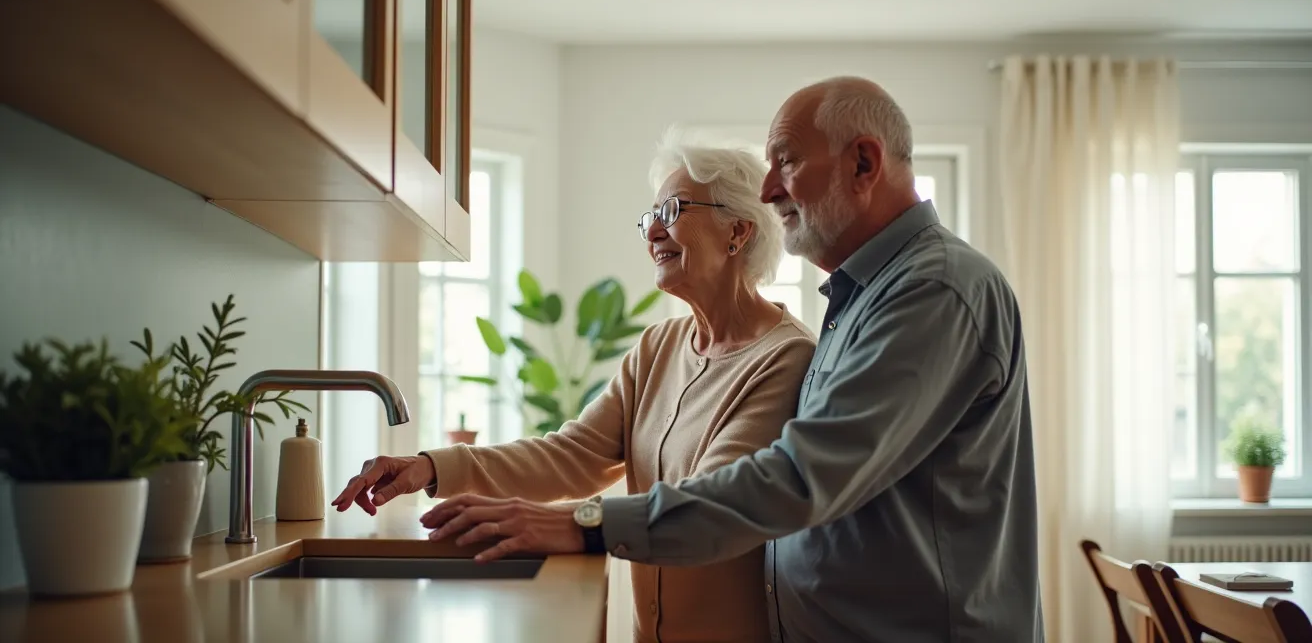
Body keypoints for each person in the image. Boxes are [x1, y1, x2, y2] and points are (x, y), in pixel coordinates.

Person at [420, 76, 1045, 643]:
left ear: (863, 162)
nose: (770, 187)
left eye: (787, 162)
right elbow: (578, 453)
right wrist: (435, 467)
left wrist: (586, 524)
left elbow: (801, 478)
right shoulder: (859, 298)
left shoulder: (930, 291)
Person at [331, 131, 817, 643]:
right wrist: (431, 466)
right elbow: (572, 455)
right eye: (649, 216)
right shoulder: (659, 347)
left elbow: (711, 506)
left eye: (671, 210)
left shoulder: (784, 359)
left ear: (737, 233)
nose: (652, 231)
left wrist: (570, 523)